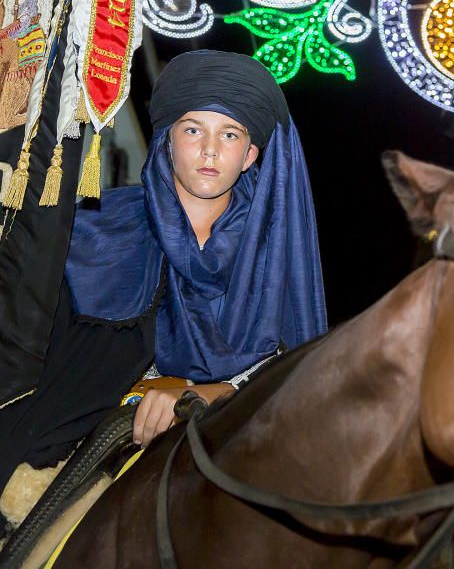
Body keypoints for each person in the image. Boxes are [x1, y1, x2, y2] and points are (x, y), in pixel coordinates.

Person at [0, 51, 327, 499]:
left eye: (229, 134)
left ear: (250, 155)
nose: (210, 150)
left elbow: (292, 373)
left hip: (223, 460)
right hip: (68, 455)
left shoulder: (272, 254)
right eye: (193, 130)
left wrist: (211, 393)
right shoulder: (98, 227)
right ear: (168, 139)